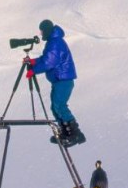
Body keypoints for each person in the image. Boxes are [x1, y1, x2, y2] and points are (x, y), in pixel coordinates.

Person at [24, 19, 86, 147]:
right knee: (55, 106)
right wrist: (34, 62)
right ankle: (65, 132)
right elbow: (46, 58)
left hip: (63, 80)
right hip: (59, 80)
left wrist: (33, 71)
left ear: (46, 30)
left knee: (60, 105)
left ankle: (75, 134)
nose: (41, 34)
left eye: (42, 31)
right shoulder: (53, 42)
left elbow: (49, 62)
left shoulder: (56, 43)